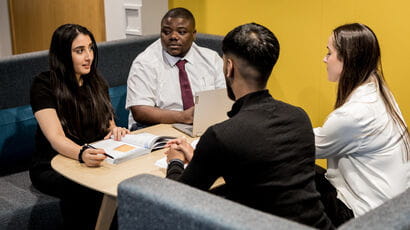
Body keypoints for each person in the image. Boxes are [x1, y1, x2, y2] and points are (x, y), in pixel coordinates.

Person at [165, 23, 334, 229]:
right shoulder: (299, 117)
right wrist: (202, 159)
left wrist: (174, 162)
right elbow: (266, 172)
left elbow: (174, 200)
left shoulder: (222, 136)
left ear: (229, 66)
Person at [29, 24, 129, 229]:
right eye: (79, 51)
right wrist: (82, 153)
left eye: (91, 48)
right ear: (63, 54)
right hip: (53, 163)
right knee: (85, 188)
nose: (88, 57)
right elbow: (56, 137)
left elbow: (108, 125)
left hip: (91, 157)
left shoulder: (96, 81)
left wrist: (115, 131)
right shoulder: (43, 84)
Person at [314, 23, 410, 227]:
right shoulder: (377, 88)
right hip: (393, 210)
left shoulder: (355, 114)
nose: (325, 59)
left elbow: (303, 145)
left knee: (293, 172)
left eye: (329, 52)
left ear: (347, 59)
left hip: (365, 217)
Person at [125, 7, 226, 130]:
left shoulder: (211, 59)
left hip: (203, 126)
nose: (173, 36)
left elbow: (225, 98)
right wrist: (183, 117)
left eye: (182, 32)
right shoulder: (145, 63)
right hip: (155, 128)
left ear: (194, 35)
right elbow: (140, 111)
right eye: (166, 32)